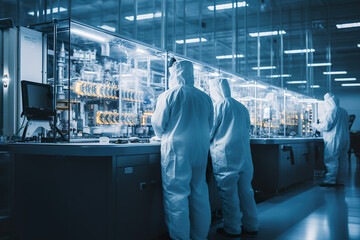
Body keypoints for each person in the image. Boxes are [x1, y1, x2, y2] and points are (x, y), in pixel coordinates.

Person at [151, 60, 214, 240]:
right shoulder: (205, 97)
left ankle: (181, 238)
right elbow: (210, 124)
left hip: (177, 150)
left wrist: (160, 135)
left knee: (176, 195)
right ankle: (200, 236)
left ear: (174, 74)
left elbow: (158, 123)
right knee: (199, 192)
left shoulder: (169, 95)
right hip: (200, 149)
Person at [209, 79, 258, 238]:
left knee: (229, 194)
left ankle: (232, 228)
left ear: (215, 90)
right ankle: (251, 225)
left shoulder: (218, 106)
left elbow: (209, 131)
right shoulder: (242, 107)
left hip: (226, 157)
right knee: (246, 191)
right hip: (244, 156)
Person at [312, 93, 350, 187]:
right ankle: (341, 180)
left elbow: (327, 126)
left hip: (334, 139)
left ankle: (330, 180)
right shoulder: (344, 111)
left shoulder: (332, 111)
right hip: (345, 138)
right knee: (343, 160)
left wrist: (315, 125)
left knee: (331, 159)